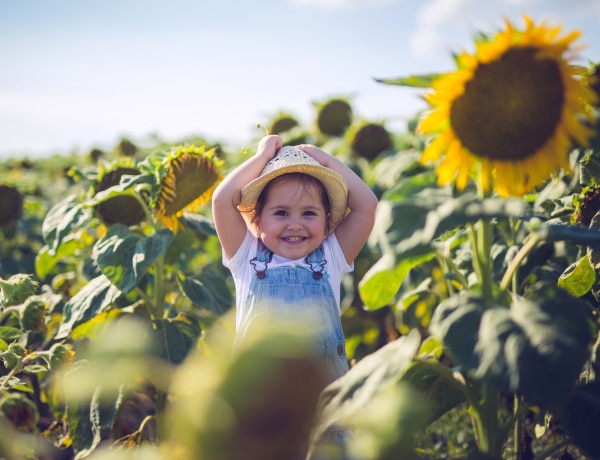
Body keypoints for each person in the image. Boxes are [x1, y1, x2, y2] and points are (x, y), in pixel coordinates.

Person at [211, 134, 378, 459]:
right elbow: (221, 200)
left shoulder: (331, 258)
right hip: (260, 396)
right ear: (256, 220)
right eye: (282, 213)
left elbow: (368, 205)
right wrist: (262, 157)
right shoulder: (246, 257)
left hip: (321, 398)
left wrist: (323, 159)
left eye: (309, 214)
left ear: (328, 220)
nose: (295, 225)